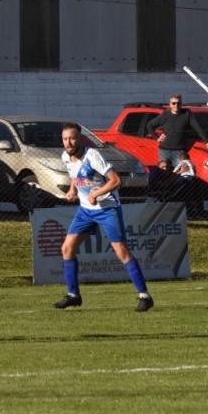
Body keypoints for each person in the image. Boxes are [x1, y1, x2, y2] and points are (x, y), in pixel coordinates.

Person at [55, 123, 154, 312]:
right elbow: (76, 176)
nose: (69, 142)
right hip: (85, 211)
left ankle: (145, 296)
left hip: (107, 209)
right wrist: (72, 189)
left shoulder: (92, 156)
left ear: (80, 138)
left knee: (121, 252)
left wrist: (95, 194)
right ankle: (73, 295)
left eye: (73, 138)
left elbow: (117, 180)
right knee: (67, 248)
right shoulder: (65, 157)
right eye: (65, 139)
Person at [145, 95, 208, 169]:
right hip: (164, 150)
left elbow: (197, 127)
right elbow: (149, 125)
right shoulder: (165, 115)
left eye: (178, 103)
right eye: (173, 103)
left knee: (180, 173)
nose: (176, 105)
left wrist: (207, 140)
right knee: (163, 173)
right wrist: (156, 137)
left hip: (179, 151)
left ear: (181, 104)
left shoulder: (186, 113)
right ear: (170, 104)